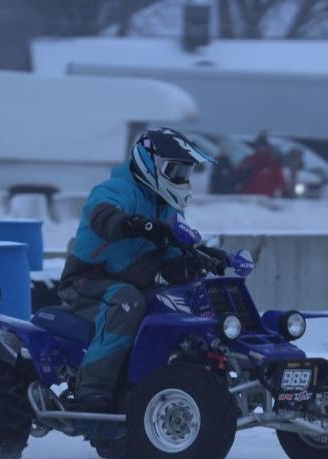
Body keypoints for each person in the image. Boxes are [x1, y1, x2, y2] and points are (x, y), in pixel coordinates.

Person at [58, 127, 227, 413]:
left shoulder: (168, 207)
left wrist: (200, 259)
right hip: (88, 280)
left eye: (185, 172)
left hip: (135, 283)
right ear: (149, 162)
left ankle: (169, 382)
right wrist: (137, 224)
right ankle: (92, 391)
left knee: (179, 301)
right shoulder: (117, 189)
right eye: (174, 170)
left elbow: (173, 260)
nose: (180, 179)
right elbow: (104, 217)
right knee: (127, 302)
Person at [237, 132, 286, 197]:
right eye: (259, 146)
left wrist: (278, 190)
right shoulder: (249, 160)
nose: (261, 148)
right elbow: (238, 175)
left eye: (263, 146)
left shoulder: (273, 163)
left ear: (267, 147)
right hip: (249, 197)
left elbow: (280, 181)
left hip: (267, 198)